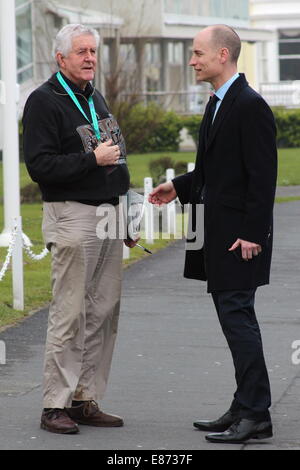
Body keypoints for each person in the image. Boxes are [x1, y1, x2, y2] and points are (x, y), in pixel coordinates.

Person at [149, 25, 277, 444]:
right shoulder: (220, 102)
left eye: (198, 53)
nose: (192, 61)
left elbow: (262, 177)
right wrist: (179, 187)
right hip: (218, 234)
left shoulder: (249, 105)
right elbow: (217, 169)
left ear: (223, 55)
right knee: (235, 321)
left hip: (240, 240)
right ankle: (244, 405)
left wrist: (253, 234)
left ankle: (256, 414)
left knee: (238, 321)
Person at [23, 24, 136, 435]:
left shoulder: (94, 96)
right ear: (61, 59)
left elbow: (116, 156)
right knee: (70, 312)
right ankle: (54, 404)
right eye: (81, 52)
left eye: (93, 51)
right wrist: (92, 161)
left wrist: (126, 213)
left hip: (108, 216)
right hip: (72, 215)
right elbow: (40, 166)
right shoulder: (43, 102)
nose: (90, 58)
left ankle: (85, 397)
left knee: (103, 311)